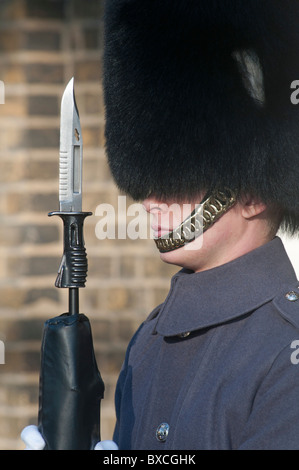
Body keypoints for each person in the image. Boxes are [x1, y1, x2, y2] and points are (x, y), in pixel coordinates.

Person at [22, 0, 299, 449]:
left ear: (252, 193)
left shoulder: (285, 352)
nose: (149, 196)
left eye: (176, 174)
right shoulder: (149, 342)